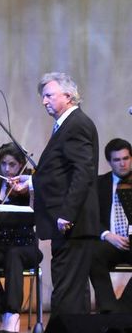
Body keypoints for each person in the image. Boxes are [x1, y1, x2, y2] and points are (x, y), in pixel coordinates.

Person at [32, 72, 99, 316]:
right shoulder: (68, 124)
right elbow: (61, 173)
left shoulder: (76, 124)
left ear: (68, 96)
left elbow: (83, 171)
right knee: (74, 290)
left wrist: (67, 213)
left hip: (72, 222)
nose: (44, 101)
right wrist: (30, 182)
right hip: (71, 223)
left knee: (66, 291)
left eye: (49, 95)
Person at [0, 143, 41, 333]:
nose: (7, 169)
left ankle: (12, 314)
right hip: (1, 245)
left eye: (12, 164)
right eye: (3, 164)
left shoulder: (31, 184)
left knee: (14, 255)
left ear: (21, 165)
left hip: (26, 246)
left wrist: (30, 190)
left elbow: (35, 214)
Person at [89, 138, 132, 312]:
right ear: (109, 162)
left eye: (126, 158)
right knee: (91, 254)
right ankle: (109, 308)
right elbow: (90, 216)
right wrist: (107, 235)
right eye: (117, 160)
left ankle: (122, 308)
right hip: (111, 241)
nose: (122, 164)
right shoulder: (99, 184)